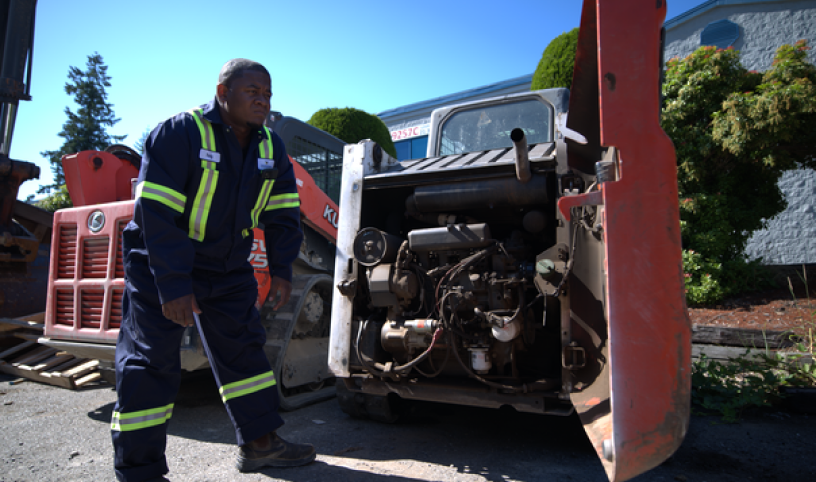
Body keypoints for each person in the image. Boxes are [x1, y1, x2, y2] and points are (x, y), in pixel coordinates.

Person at [111, 58, 315, 482]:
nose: (262, 100)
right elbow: (155, 215)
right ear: (222, 93)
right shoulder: (179, 133)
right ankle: (139, 472)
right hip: (159, 263)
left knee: (243, 349)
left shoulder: (270, 147)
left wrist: (281, 270)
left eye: (267, 93)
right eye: (252, 91)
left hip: (227, 266)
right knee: (152, 362)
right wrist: (173, 285)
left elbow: (283, 214)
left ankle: (261, 445)